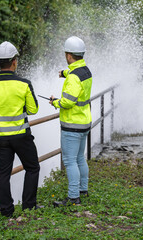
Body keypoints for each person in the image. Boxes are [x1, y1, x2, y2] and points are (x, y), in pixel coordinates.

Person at [0, 41, 41, 217]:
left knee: (3, 174)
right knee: (32, 168)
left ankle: (7, 211)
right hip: (21, 135)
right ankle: (29, 206)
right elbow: (33, 109)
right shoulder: (24, 84)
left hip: (0, 137)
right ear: (14, 61)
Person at [49, 36, 92, 207]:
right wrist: (63, 73)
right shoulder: (86, 71)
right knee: (80, 158)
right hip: (84, 122)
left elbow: (67, 101)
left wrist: (55, 102)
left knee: (69, 160)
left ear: (68, 55)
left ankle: (74, 197)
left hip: (72, 125)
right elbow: (73, 72)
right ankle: (83, 189)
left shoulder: (73, 78)